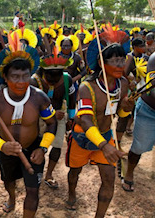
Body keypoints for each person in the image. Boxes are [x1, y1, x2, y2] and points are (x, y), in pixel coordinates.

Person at [0, 37, 56, 217]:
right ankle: (12, 198)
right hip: (6, 149)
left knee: (33, 191)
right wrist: (3, 146)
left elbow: (52, 123)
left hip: (33, 149)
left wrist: (43, 148)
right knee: (9, 181)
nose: (21, 82)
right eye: (15, 77)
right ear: (5, 78)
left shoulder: (39, 97)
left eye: (25, 76)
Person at [66, 26, 133, 217]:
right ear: (102, 63)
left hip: (105, 137)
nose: (121, 64)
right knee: (74, 172)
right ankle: (71, 192)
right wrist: (104, 146)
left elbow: (118, 113)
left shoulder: (124, 84)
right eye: (115, 60)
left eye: (123, 59)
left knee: (109, 179)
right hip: (83, 137)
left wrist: (125, 108)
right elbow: (86, 121)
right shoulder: (87, 87)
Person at [31, 50, 76, 189]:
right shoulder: (34, 81)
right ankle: (34, 173)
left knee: (57, 146)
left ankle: (49, 174)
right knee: (37, 146)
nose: (53, 81)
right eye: (49, 77)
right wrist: (50, 113)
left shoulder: (67, 80)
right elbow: (29, 106)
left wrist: (71, 118)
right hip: (37, 120)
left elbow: (72, 100)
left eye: (57, 78)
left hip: (60, 117)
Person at [122, 52, 155, 192]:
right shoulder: (154, 58)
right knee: (139, 147)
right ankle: (129, 172)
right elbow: (153, 91)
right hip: (149, 111)